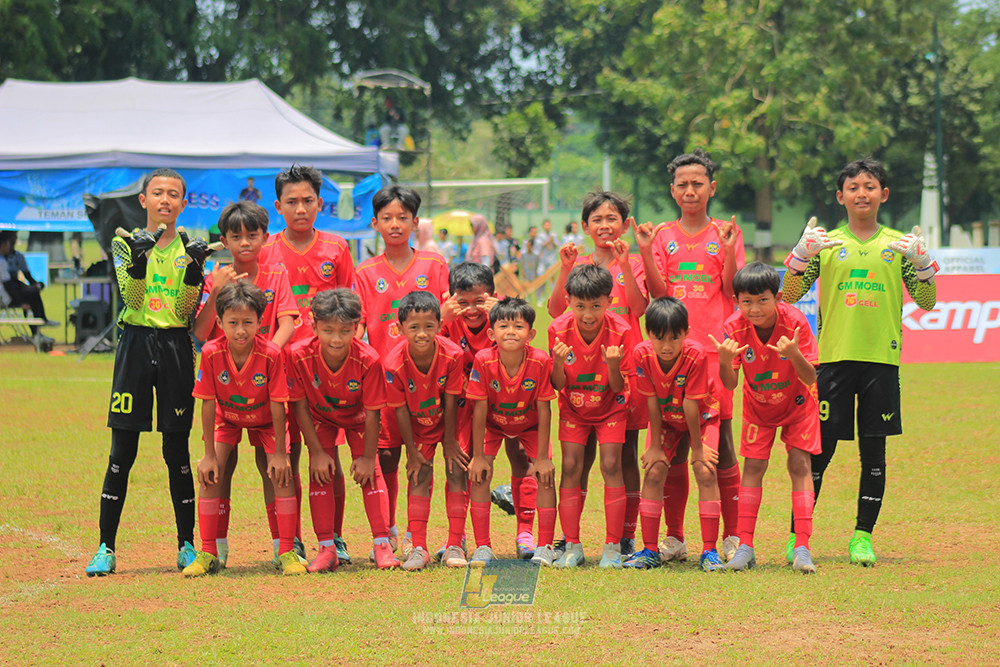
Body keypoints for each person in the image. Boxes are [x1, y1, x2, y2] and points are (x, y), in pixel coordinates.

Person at [781, 158, 938, 566]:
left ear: (883, 194)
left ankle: (862, 537)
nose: (861, 193)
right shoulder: (827, 243)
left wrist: (923, 267)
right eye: (853, 187)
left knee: (874, 454)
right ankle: (800, 537)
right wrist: (800, 256)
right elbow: (788, 296)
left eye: (869, 186)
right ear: (841, 196)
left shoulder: (899, 245)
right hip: (832, 360)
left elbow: (927, 302)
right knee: (820, 452)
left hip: (881, 361)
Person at [86, 168, 208, 576]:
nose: (165, 200)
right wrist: (138, 263)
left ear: (183, 203)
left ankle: (186, 545)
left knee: (177, 451)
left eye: (173, 194)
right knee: (122, 451)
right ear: (143, 200)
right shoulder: (124, 243)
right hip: (135, 345)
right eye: (157, 193)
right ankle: (105, 547)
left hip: (175, 348)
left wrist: (195, 271)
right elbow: (133, 298)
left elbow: (185, 310)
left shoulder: (191, 247)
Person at [634, 149, 744, 564]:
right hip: (669, 353)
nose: (690, 190)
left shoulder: (726, 232)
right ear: (672, 190)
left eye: (698, 183)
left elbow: (732, 290)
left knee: (720, 446)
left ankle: (731, 537)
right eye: (682, 184)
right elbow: (659, 293)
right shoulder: (663, 235)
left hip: (713, 353)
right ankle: (675, 538)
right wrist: (646, 251)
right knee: (672, 448)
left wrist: (729, 252)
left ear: (712, 188)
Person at [258, 164, 356, 563]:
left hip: (323, 373)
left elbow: (350, 309)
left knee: (327, 455)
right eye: (292, 202)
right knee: (281, 456)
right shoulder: (265, 249)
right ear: (278, 205)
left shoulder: (337, 248)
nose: (300, 209)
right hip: (277, 369)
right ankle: (288, 539)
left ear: (319, 203)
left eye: (308, 201)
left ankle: (334, 538)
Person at [193, 200, 298, 567]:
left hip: (267, 385)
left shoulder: (276, 275)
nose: (245, 243)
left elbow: (288, 322)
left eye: (252, 235)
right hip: (227, 393)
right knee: (215, 469)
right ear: (224, 241)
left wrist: (264, 356)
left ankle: (285, 549)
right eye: (236, 237)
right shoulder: (216, 278)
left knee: (276, 468)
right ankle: (213, 550)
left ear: (265, 237)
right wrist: (216, 290)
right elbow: (201, 332)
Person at [547, 191, 648, 558]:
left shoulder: (632, 262)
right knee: (578, 459)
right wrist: (564, 269)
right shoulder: (577, 264)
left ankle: (624, 536)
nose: (605, 225)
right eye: (597, 219)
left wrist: (625, 265)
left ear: (624, 224)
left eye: (612, 218)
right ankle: (570, 538)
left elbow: (639, 308)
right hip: (579, 375)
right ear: (585, 226)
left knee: (623, 456)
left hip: (621, 370)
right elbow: (555, 310)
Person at [355, 185, 450, 557]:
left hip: (427, 383)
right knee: (387, 456)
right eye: (387, 218)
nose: (395, 224)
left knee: (422, 458)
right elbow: (358, 327)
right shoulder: (365, 272)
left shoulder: (434, 265)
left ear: (415, 221)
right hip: (383, 381)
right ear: (375, 223)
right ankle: (390, 529)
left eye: (403, 217)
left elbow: (448, 318)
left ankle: (415, 533)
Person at [710, 262, 820, 573]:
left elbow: (811, 377)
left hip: (798, 403)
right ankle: (745, 547)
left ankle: (802, 549)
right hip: (758, 406)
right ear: (736, 301)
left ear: (778, 297)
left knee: (799, 464)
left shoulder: (795, 321)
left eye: (763, 300)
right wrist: (724, 362)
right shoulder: (733, 327)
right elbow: (730, 384)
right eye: (747, 301)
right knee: (754, 467)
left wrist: (794, 354)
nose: (755, 309)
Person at [186, 282, 303, 576]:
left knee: (281, 475)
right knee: (211, 474)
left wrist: (280, 453)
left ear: (260, 322)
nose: (240, 330)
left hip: (266, 420)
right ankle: (209, 551)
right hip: (227, 418)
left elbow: (278, 404)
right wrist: (208, 455)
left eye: (248, 322)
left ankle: (286, 551)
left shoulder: (271, 354)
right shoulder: (211, 352)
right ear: (219, 322)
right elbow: (207, 403)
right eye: (233, 322)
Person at [286, 288, 399, 570]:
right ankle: (327, 549)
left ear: (357, 327)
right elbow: (299, 405)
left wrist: (367, 457)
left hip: (359, 419)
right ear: (314, 326)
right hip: (320, 419)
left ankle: (382, 546)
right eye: (328, 330)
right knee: (320, 472)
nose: (336, 339)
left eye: (345, 331)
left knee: (372, 473)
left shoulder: (369, 358)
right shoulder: (298, 355)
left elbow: (373, 412)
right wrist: (316, 452)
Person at [622, 297, 724, 571]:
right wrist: (655, 446)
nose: (667, 346)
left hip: (702, 417)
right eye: (660, 338)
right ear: (648, 334)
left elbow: (691, 404)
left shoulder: (696, 355)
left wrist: (698, 450)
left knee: (705, 470)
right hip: (666, 417)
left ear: (686, 333)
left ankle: (709, 551)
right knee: (654, 470)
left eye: (674, 338)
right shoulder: (641, 354)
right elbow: (652, 400)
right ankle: (650, 550)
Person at [549, 264, 630, 569]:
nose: (588, 314)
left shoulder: (621, 330)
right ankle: (572, 546)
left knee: (611, 464)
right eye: (580, 306)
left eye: (596, 306)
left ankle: (612, 547)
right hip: (574, 408)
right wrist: (558, 363)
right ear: (568, 300)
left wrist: (613, 366)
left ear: (609, 301)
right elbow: (557, 384)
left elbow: (619, 386)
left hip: (610, 407)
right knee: (570, 466)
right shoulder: (558, 330)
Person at [466, 297, 558, 566]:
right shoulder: (483, 360)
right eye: (503, 326)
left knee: (545, 476)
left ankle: (544, 546)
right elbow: (479, 410)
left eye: (518, 326)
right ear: (491, 334)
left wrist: (543, 458)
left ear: (531, 334)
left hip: (530, 425)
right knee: (480, 474)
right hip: (494, 424)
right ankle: (483, 547)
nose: (510, 332)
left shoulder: (540, 360)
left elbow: (544, 410)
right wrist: (479, 456)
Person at [384, 291, 466, 570]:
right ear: (400, 328)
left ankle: (455, 544)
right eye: (414, 327)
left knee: (457, 470)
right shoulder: (393, 364)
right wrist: (411, 451)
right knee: (419, 474)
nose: (422, 333)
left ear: (440, 326)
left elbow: (452, 400)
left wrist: (451, 441)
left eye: (429, 326)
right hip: (417, 425)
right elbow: (400, 410)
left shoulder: (453, 355)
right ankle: (418, 547)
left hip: (451, 421)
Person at [440, 262, 501, 561]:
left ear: (493, 296)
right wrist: (442, 316)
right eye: (463, 302)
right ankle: (455, 540)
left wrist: (500, 313)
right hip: (460, 405)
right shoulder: (445, 317)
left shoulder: (504, 315)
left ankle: (523, 535)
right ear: (452, 297)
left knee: (500, 464)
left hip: (500, 403)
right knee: (456, 467)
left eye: (480, 301)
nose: (473, 309)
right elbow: (422, 344)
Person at [0, 230, 56, 342]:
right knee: (32, 294)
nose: (13, 242)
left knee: (32, 292)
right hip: (5, 296)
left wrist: (38, 285)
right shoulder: (1, 261)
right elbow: (7, 284)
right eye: (10, 241)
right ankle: (39, 327)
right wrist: (19, 303)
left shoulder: (18, 257)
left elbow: (27, 276)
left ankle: (38, 330)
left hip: (11, 291)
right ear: (4, 244)